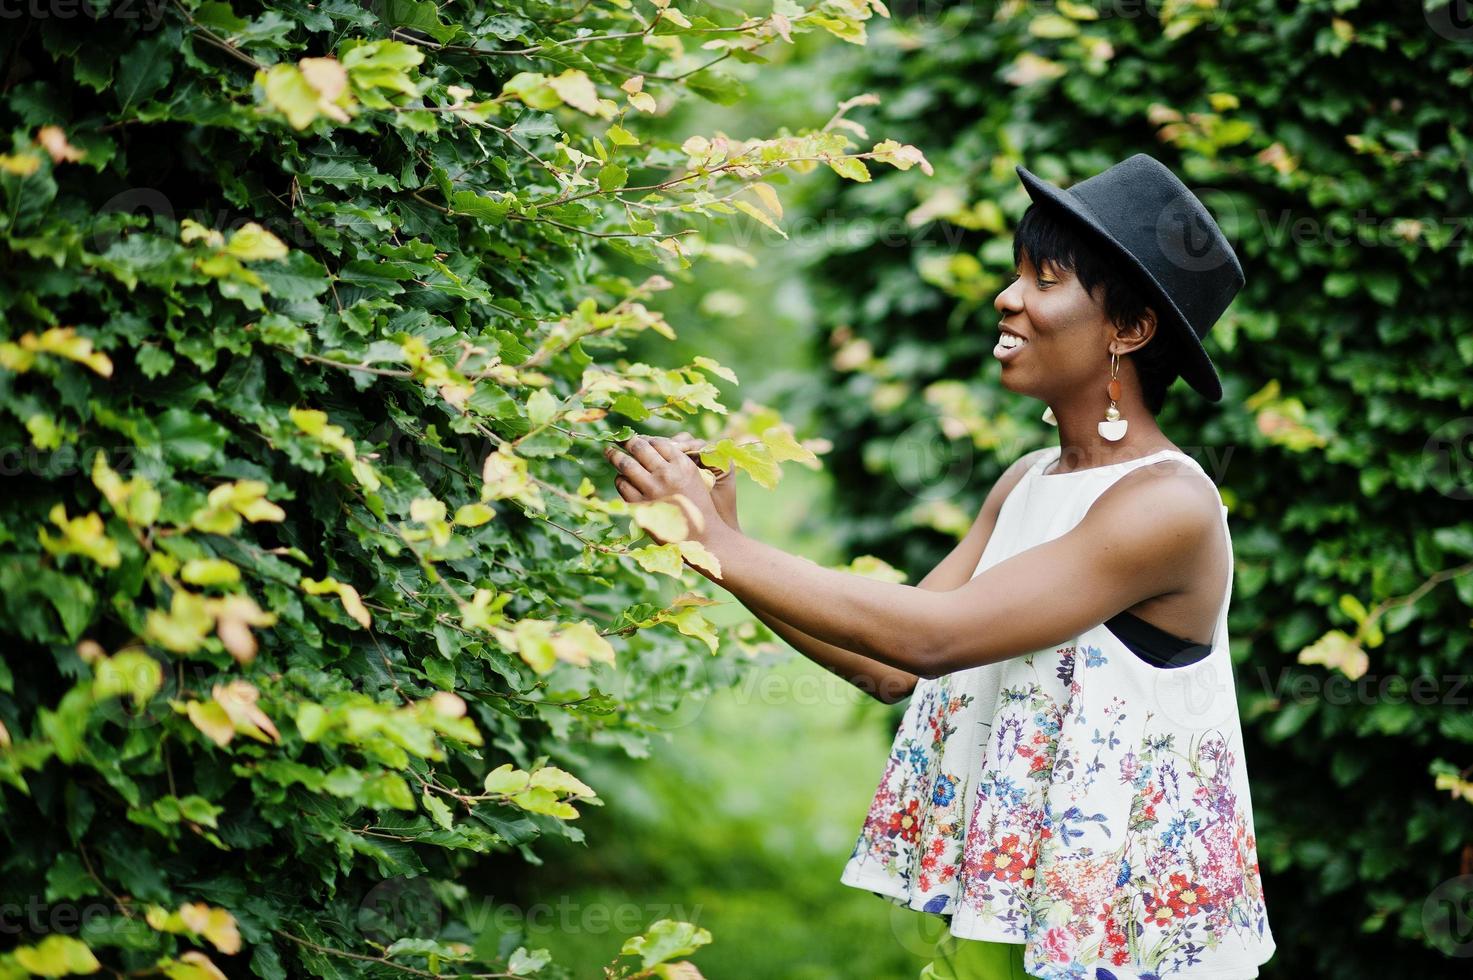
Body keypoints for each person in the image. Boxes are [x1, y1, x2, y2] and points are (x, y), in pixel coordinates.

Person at [602, 154, 1276, 979]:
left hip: (1136, 945)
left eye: (1045, 278)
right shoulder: (1028, 480)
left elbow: (937, 638)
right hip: (1034, 923)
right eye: (1015, 271)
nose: (1006, 296)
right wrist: (716, 544)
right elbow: (891, 668)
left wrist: (720, 542)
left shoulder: (1165, 505)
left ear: (1129, 330)